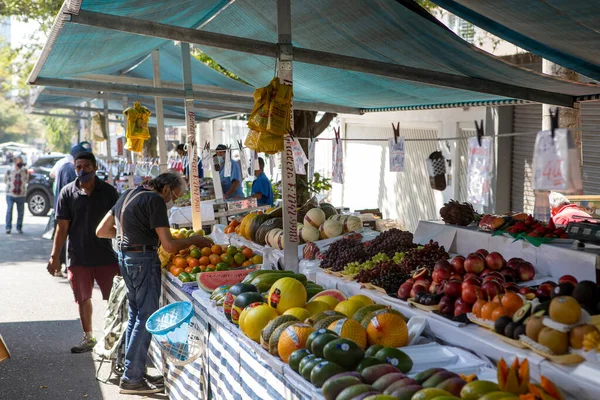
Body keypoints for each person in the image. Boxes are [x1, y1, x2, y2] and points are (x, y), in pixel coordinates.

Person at [96, 172, 213, 395]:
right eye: (176, 196)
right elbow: (169, 246)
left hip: (125, 258)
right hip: (143, 261)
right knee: (145, 317)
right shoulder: (155, 200)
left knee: (136, 315)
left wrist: (131, 235)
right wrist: (195, 240)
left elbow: (102, 231)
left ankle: (132, 371)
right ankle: (132, 379)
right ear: (167, 188)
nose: (174, 201)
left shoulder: (129, 194)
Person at [47, 152, 120, 354]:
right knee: (82, 299)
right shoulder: (67, 193)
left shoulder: (108, 192)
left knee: (114, 299)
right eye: (78, 167)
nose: (81, 171)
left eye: (86, 167)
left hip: (106, 256)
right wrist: (54, 257)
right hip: (78, 257)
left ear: (95, 168)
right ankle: (88, 337)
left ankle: (113, 338)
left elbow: (119, 223)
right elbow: (61, 228)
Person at [4, 156, 28, 234]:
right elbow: (5, 180)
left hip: (21, 195)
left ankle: (19, 227)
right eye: (19, 162)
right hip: (10, 194)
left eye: (21, 161)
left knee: (20, 212)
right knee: (9, 210)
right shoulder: (9, 170)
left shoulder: (24, 171)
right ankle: (8, 227)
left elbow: (26, 180)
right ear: (15, 162)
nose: (20, 163)